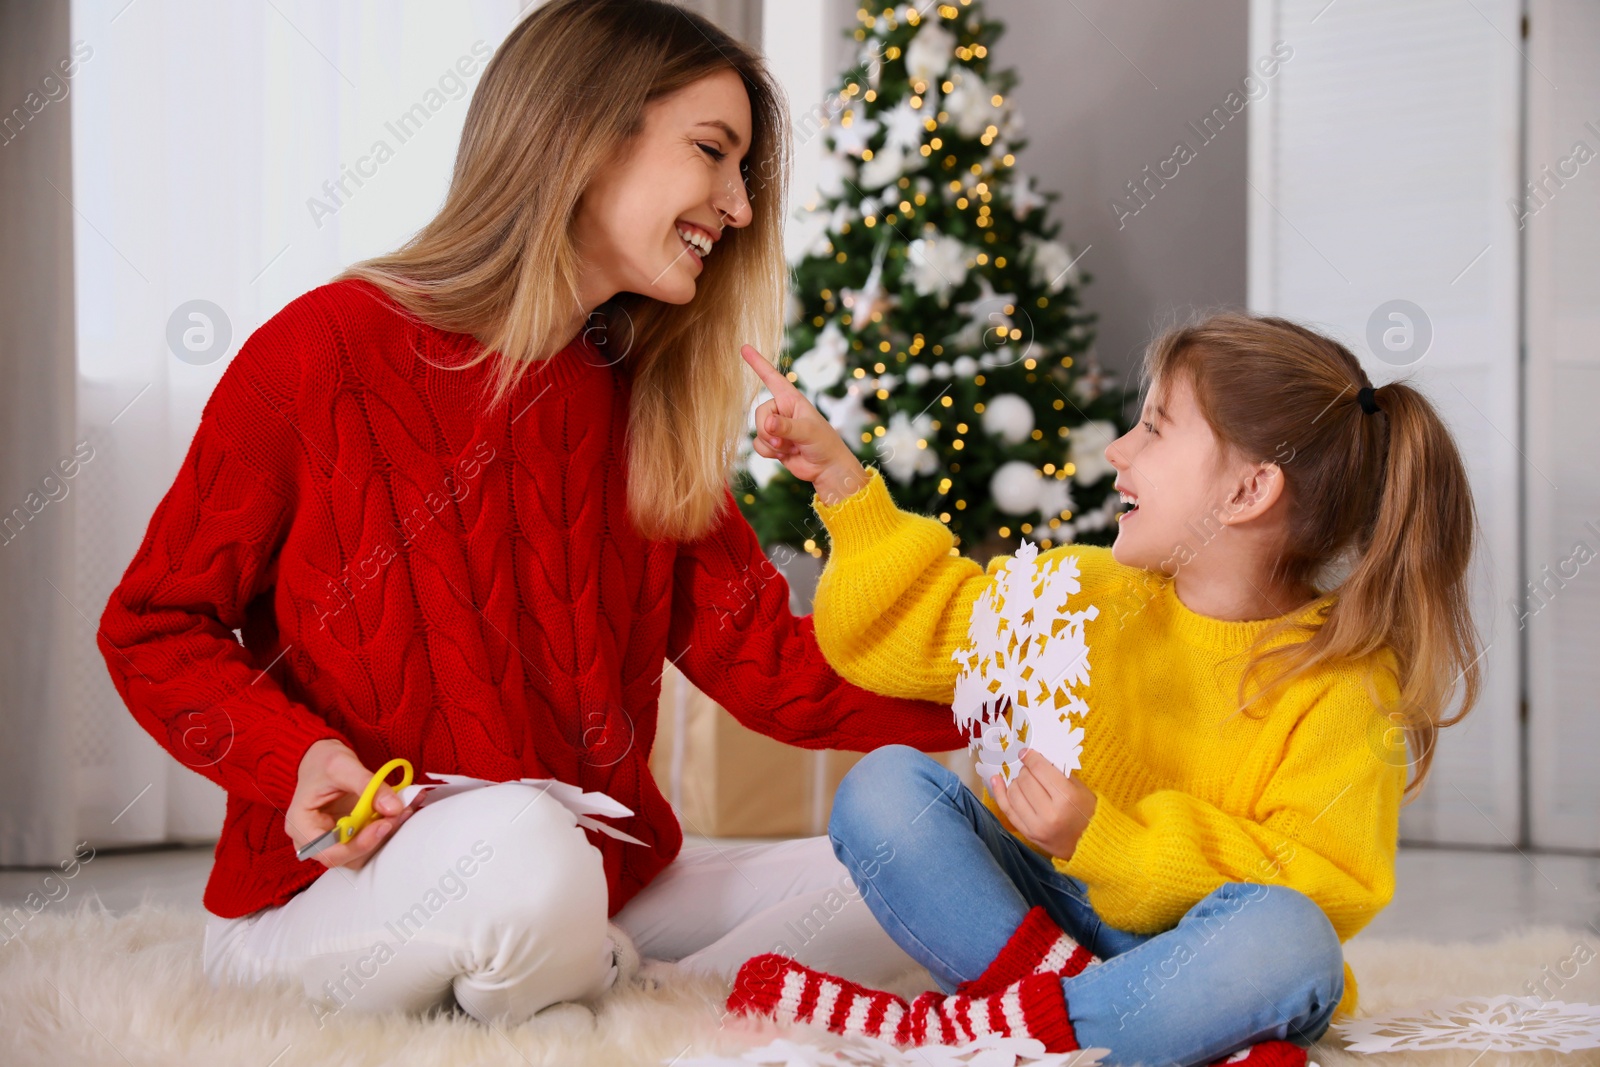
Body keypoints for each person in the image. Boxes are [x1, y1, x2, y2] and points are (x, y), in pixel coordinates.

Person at [96, 0, 965, 1028]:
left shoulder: (643, 398)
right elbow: (153, 623)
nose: (736, 207)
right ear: (585, 135)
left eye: (745, 175)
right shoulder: (323, 349)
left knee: (917, 862)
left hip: (599, 882)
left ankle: (592, 982)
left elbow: (773, 667)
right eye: (712, 154)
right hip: (333, 900)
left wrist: (1021, 691)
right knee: (519, 842)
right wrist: (295, 758)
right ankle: (589, 974)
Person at [724, 313, 1483, 1066]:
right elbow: (915, 625)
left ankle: (976, 1031)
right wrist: (842, 484)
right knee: (883, 790)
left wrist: (1106, 837)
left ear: (1250, 488)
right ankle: (1110, 1023)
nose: (1119, 449)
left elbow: (1328, 883)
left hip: (1203, 957)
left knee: (1291, 939)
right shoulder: (1082, 591)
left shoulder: (1346, 678)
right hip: (1042, 923)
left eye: (1155, 428)